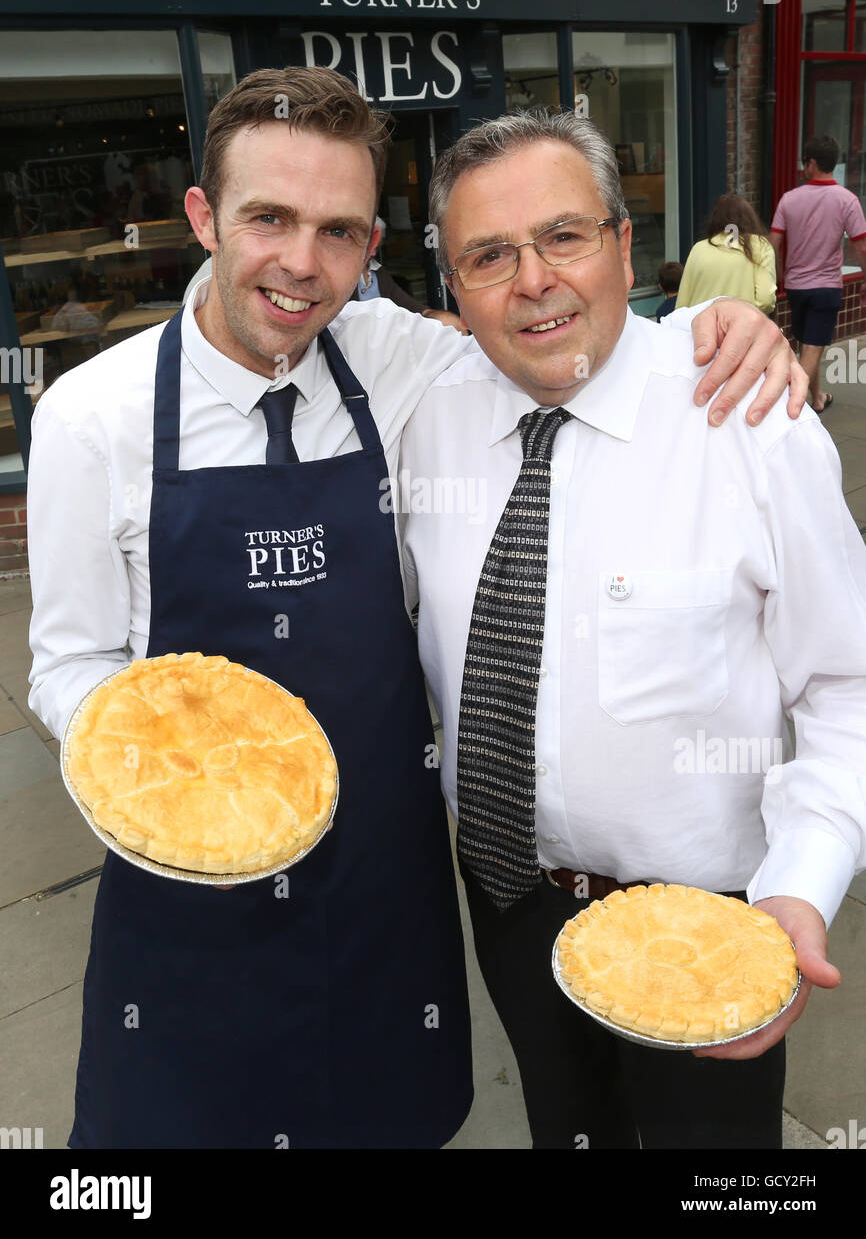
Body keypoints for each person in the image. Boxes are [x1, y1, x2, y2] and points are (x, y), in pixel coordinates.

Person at [27, 69, 803, 1150]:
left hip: (382, 892)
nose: (303, 264)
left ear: (371, 248)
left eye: (339, 231)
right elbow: (65, 663)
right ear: (203, 216)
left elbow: (555, 326)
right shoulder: (89, 420)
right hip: (189, 904)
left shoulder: (404, 366)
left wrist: (721, 321)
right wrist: (176, 779)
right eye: (269, 218)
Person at [398, 109, 865, 1149]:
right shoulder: (423, 418)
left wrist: (800, 884)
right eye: (487, 255)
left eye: (562, 236)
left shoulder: (746, 418)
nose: (531, 280)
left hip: (707, 922)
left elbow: (847, 683)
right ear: (451, 289)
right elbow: (276, 300)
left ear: (619, 243)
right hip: (511, 906)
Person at [770, 134, 866, 413]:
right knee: (812, 349)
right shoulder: (847, 200)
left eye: (804, 162)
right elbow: (861, 247)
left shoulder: (789, 199)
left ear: (812, 163)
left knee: (807, 347)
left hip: (796, 286)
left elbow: (773, 244)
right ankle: (790, 405)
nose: (803, 168)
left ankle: (818, 396)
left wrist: (778, 278)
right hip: (826, 287)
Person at [677, 193, 776, 317]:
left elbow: (681, 305)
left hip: (699, 329)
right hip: (741, 328)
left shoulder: (698, 248)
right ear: (750, 218)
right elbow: (765, 300)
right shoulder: (760, 246)